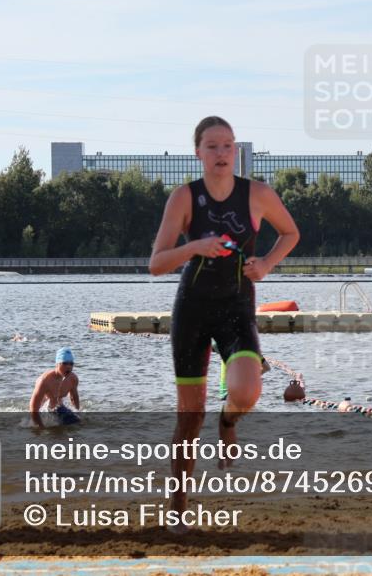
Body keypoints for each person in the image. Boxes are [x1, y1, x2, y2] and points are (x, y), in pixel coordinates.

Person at [149, 115, 299, 530]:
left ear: (236, 151)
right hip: (192, 310)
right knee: (188, 417)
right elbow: (156, 263)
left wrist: (267, 263)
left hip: (236, 306)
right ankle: (178, 509)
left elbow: (290, 233)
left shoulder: (257, 194)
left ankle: (228, 420)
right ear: (198, 152)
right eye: (212, 146)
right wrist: (196, 245)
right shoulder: (184, 198)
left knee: (247, 392)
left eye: (228, 145)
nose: (221, 153)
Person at [29, 347, 80, 428]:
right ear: (57, 364)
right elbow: (33, 407)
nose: (68, 367)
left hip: (59, 409)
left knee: (77, 423)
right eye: (65, 363)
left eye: (71, 364)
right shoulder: (44, 380)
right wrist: (41, 427)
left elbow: (74, 397)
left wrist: (77, 413)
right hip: (44, 411)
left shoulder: (73, 379)